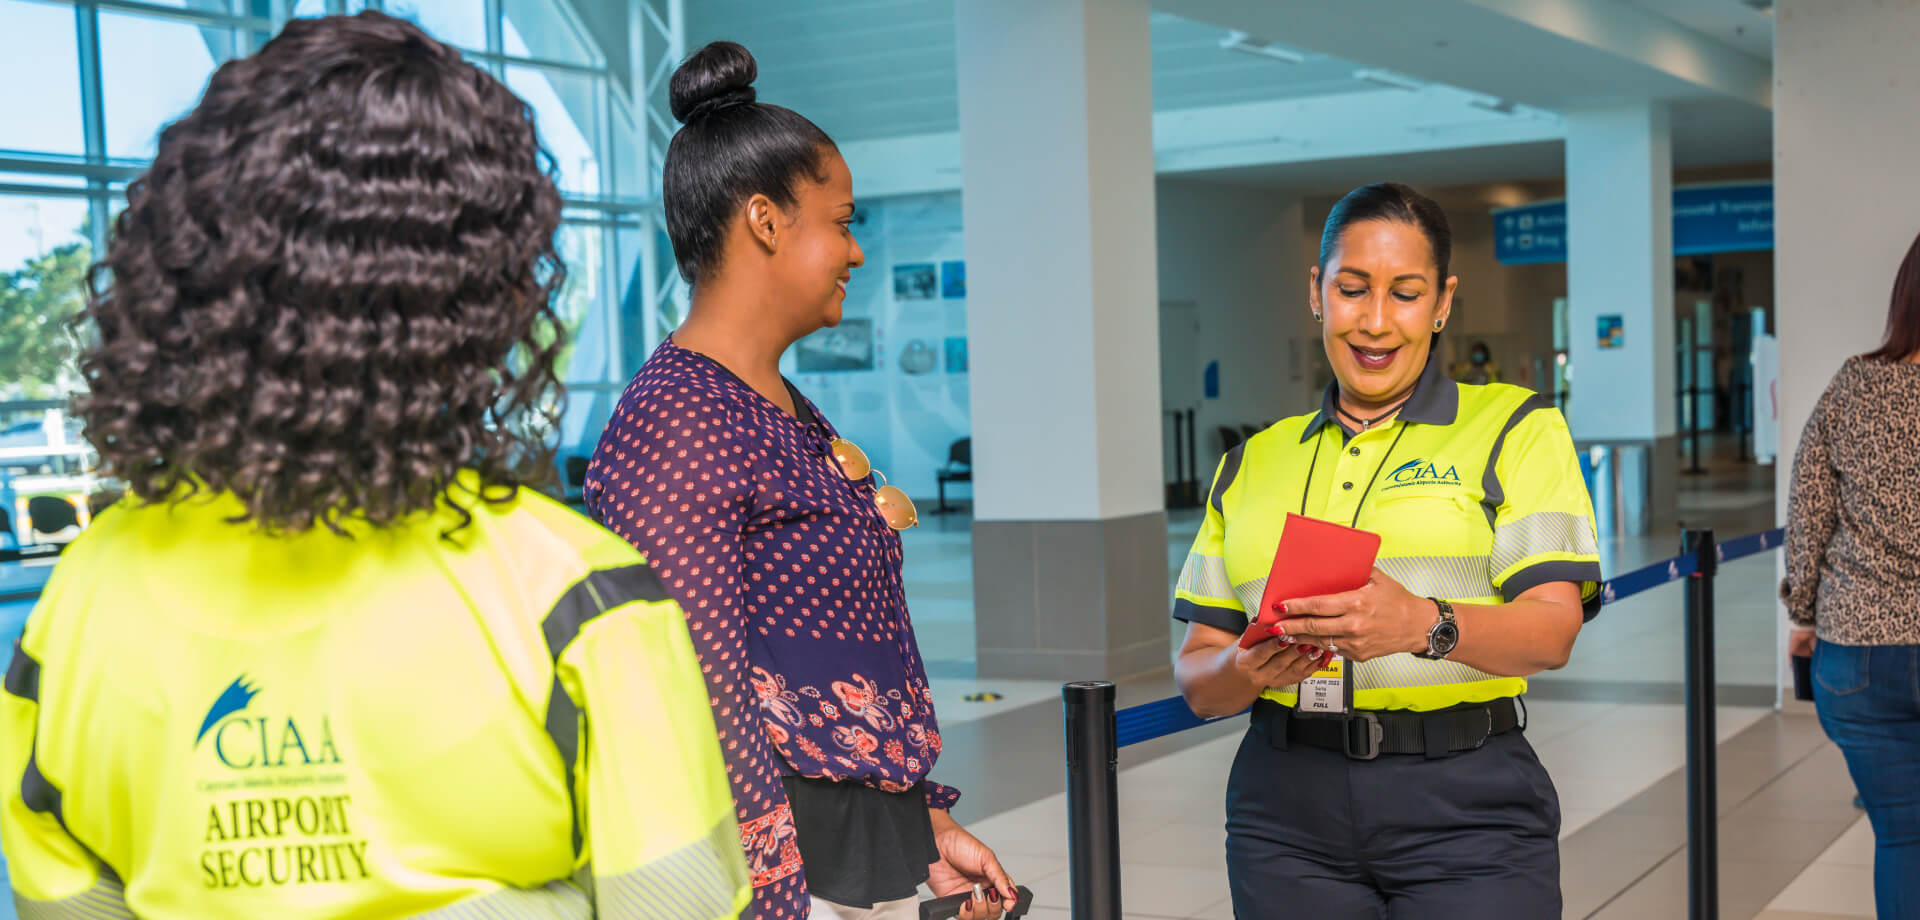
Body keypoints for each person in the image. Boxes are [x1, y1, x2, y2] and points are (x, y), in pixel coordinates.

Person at [0, 14, 748, 919]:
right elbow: (680, 903)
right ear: (491, 291)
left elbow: (65, 902)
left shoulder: (81, 602)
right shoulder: (576, 597)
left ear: (187, 275)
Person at [585, 42, 1014, 920]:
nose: (856, 252)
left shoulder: (780, 404)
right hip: (759, 879)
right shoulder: (680, 418)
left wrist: (918, 831)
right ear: (766, 222)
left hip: (840, 851)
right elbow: (692, 689)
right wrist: (773, 898)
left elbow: (811, 662)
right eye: (844, 222)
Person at [1170, 182, 1602, 919]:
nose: (1375, 323)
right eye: (1351, 289)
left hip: (1467, 804)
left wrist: (1424, 624)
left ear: (1442, 301)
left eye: (1405, 294)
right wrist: (1244, 668)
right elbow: (1198, 676)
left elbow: (1553, 629)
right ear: (1318, 292)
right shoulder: (1251, 463)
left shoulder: (1514, 427)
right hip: (1284, 813)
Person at [1783, 228, 1920, 920]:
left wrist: (1803, 614)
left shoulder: (1855, 385)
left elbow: (1808, 511)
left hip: (1859, 651)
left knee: (1904, 837)